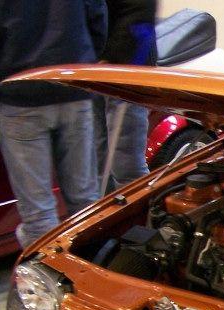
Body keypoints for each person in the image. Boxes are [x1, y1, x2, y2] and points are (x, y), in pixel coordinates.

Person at [0, 0, 107, 248]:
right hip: (73, 88)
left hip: (19, 94)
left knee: (39, 214)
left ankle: (50, 270)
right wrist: (84, 67)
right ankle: (91, 265)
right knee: (85, 201)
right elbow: (98, 20)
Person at [93, 0, 157, 194]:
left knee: (127, 169)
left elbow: (140, 15)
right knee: (98, 167)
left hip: (125, 74)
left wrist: (111, 58)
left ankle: (139, 212)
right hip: (94, 73)